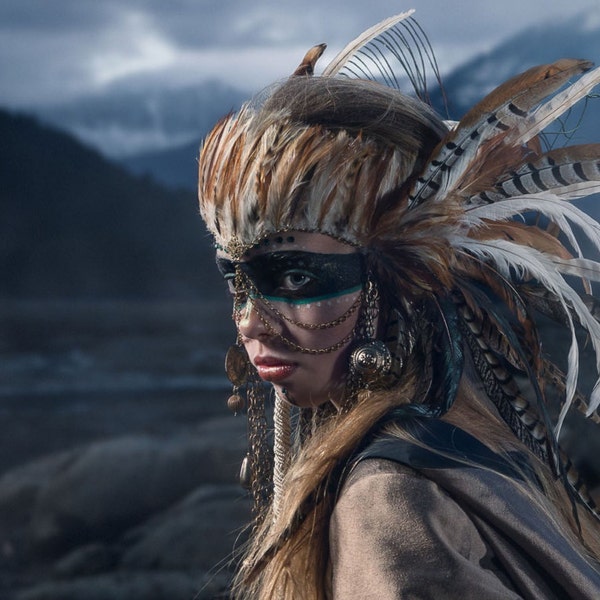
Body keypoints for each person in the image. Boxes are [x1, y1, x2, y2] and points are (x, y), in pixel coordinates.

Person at [197, 10, 600, 599]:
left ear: (403, 278)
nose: (252, 322)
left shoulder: (390, 505)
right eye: (237, 281)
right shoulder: (476, 453)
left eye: (297, 276)